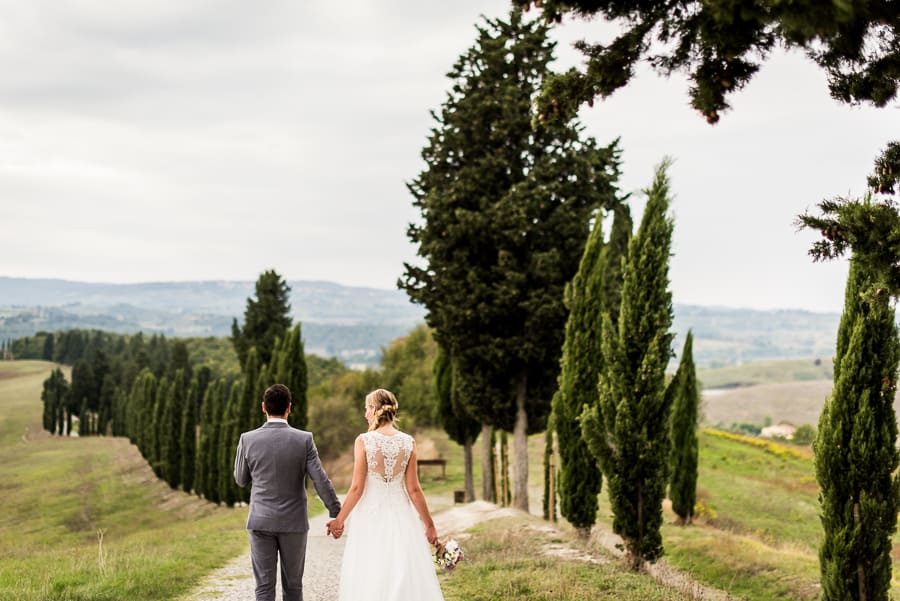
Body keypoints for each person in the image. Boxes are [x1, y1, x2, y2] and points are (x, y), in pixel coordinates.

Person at [328, 388, 445, 601]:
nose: (365, 414)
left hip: (371, 517)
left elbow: (356, 488)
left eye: (367, 408)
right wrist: (429, 524)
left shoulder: (364, 441)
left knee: (371, 572)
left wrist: (339, 520)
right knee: (402, 570)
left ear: (374, 410)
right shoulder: (408, 442)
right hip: (402, 517)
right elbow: (414, 489)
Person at [234, 383, 341, 601]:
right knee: (293, 587)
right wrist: (335, 510)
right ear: (289, 408)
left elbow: (240, 479)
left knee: (263, 587)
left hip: (260, 521)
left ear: (263, 407)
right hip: (294, 523)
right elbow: (320, 479)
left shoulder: (247, 439)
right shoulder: (304, 440)